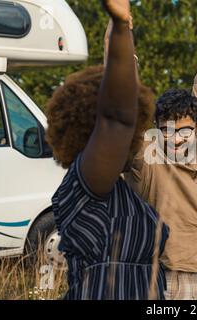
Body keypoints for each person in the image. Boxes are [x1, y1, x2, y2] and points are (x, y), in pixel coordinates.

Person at [46, 0, 169, 300]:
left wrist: (117, 39)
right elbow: (116, 117)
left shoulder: (116, 187)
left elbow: (119, 96)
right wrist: (121, 27)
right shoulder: (86, 185)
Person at [124, 19, 197, 300]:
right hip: (170, 268)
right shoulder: (146, 154)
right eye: (167, 130)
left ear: (196, 127)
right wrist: (124, 32)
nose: (178, 137)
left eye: (184, 129)